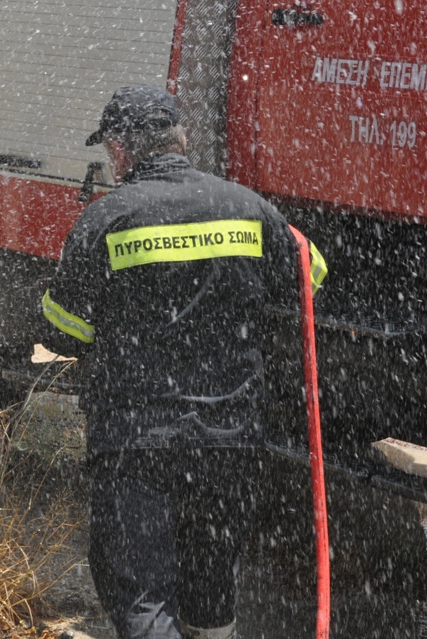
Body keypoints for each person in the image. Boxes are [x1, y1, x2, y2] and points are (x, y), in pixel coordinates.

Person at [41, 85, 327, 639]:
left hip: (136, 439)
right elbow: (310, 278)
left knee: (142, 592)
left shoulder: (107, 219)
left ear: (121, 151)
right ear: (183, 139)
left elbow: (64, 333)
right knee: (212, 587)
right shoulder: (247, 207)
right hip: (230, 439)